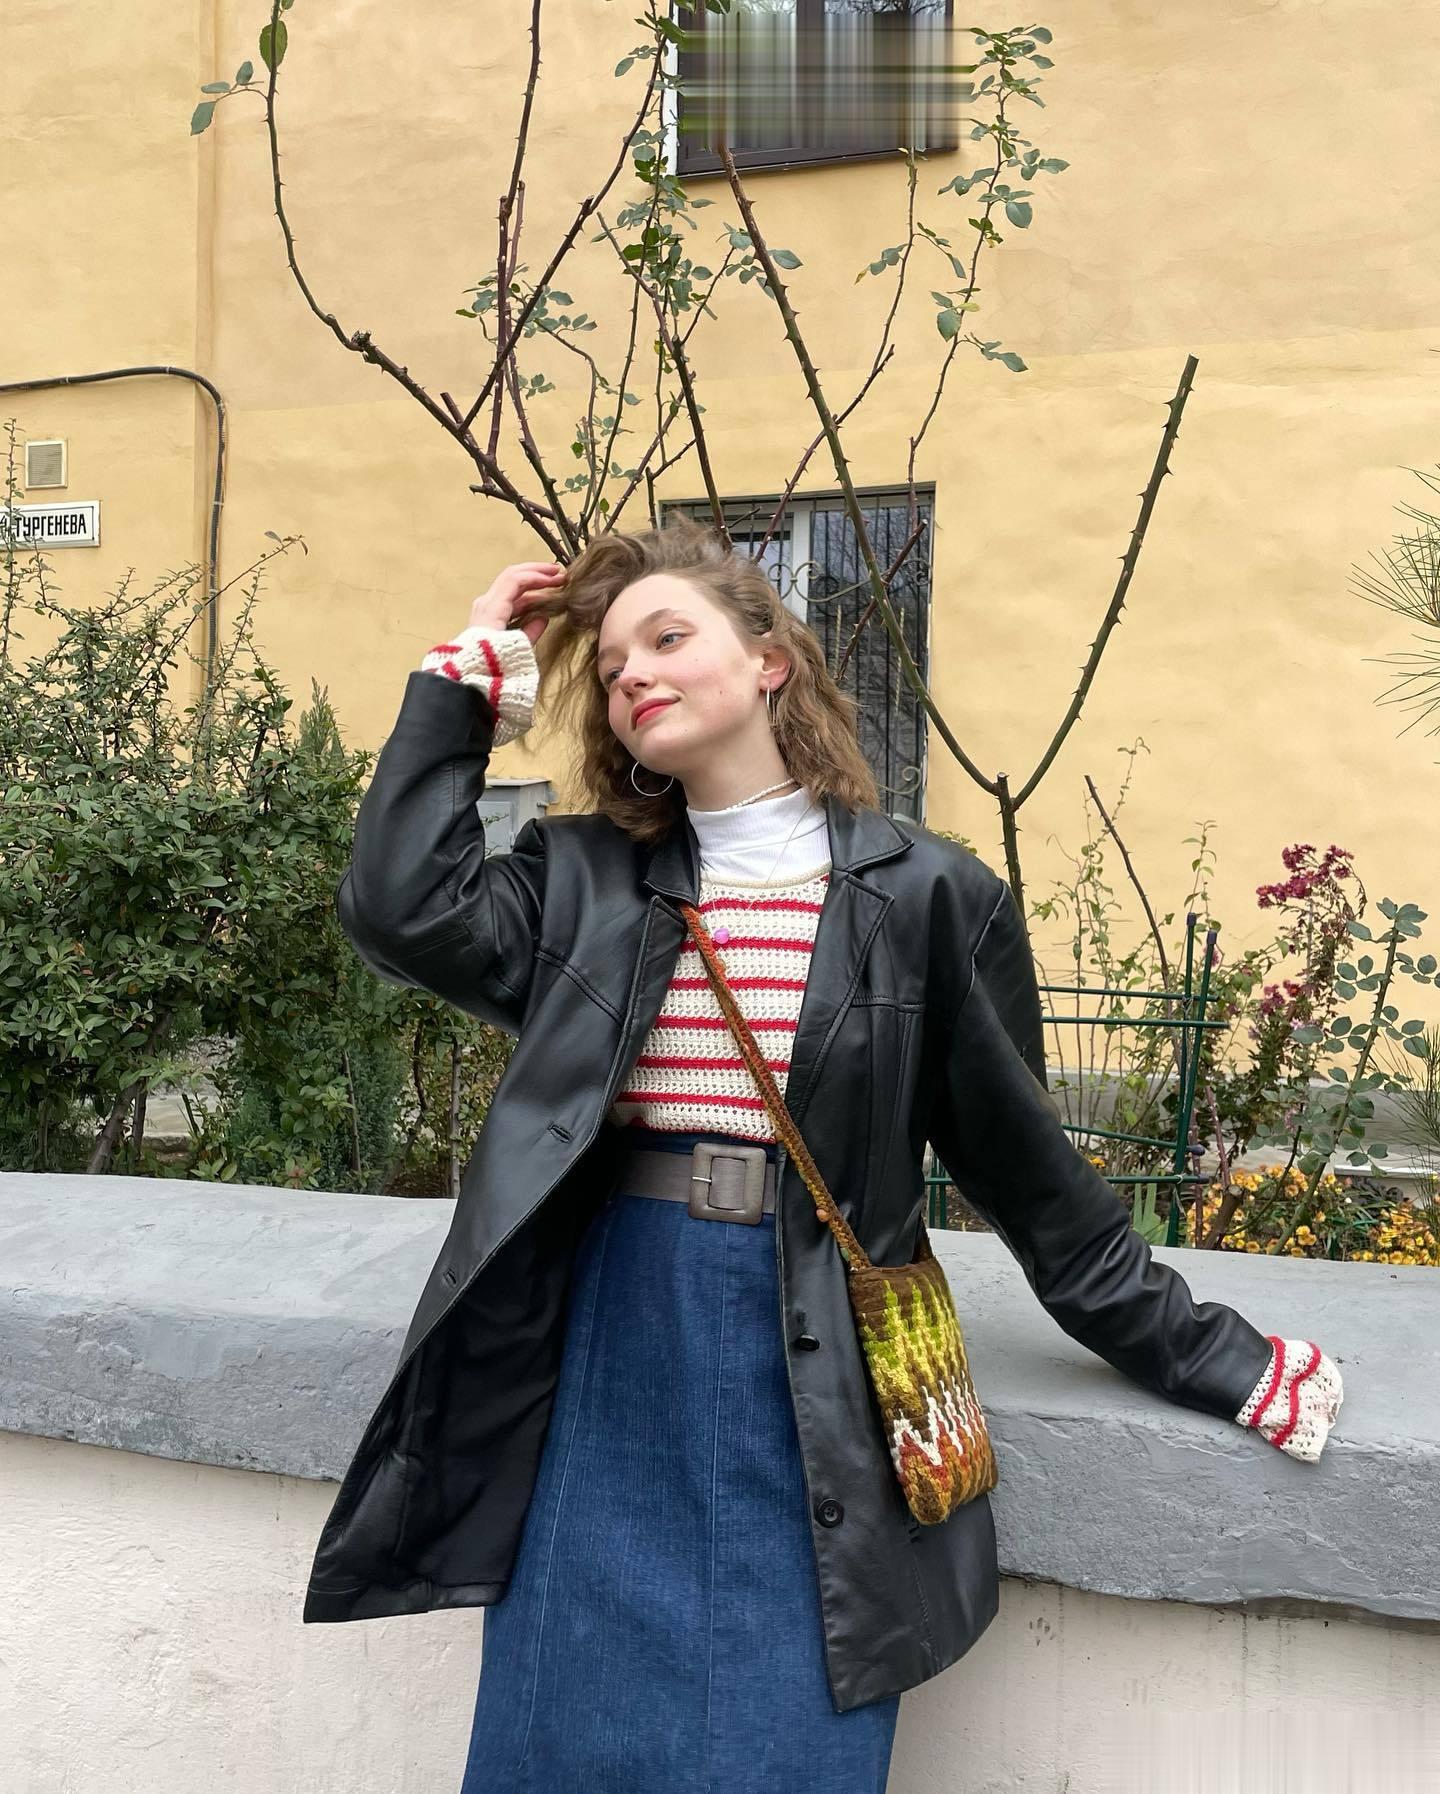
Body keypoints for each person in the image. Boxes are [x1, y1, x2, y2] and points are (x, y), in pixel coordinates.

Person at [302, 520, 1343, 1794]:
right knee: (565, 1732)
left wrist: (1216, 1358)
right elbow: (400, 907)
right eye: (613, 668)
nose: (633, 676)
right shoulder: (578, 876)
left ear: (769, 660)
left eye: (667, 638)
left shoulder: (927, 895)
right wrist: (467, 682)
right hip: (606, 1342)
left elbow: (1032, 1181)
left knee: (784, 1728)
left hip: (812, 1358)